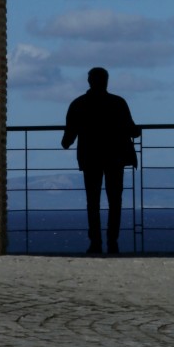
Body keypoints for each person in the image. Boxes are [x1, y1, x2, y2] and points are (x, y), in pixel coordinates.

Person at [61, 67, 140, 255]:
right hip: (115, 158)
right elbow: (132, 130)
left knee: (93, 202)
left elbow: (67, 140)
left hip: (90, 158)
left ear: (90, 81)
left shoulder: (78, 104)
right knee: (115, 201)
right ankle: (113, 242)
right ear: (106, 81)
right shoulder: (118, 103)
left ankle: (95, 243)